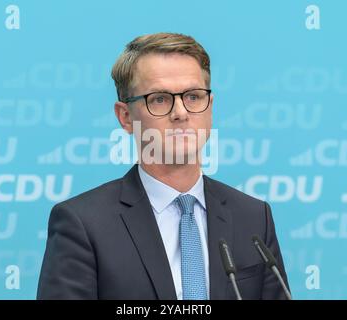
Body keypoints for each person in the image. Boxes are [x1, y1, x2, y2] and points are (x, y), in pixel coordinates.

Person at [37, 32, 290, 300]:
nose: (180, 112)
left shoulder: (253, 218)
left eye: (193, 96)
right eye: (159, 99)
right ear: (125, 117)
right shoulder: (83, 224)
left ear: (210, 108)